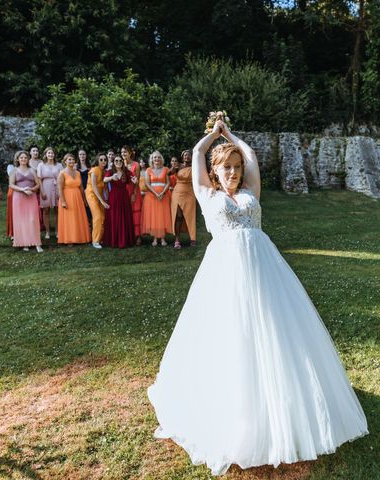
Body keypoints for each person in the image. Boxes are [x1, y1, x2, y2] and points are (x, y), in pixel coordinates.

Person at [148, 117, 368, 476]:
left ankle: (285, 402)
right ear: (215, 172)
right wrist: (214, 134)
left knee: (275, 327)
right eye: (227, 168)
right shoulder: (207, 194)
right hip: (226, 271)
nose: (233, 173)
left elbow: (250, 155)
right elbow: (199, 153)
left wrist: (232, 136)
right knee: (233, 331)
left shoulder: (252, 190)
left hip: (264, 268)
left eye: (236, 168)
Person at [9, 151, 43, 252]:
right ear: (18, 159)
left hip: (31, 197)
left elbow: (38, 184)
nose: (23, 159)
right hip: (18, 197)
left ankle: (37, 243)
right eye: (21, 158)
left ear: (28, 159)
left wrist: (32, 189)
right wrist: (22, 189)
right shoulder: (14, 171)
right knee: (21, 220)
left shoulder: (32, 170)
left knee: (33, 219)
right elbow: (11, 184)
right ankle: (25, 243)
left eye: (25, 157)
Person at [57, 153, 91, 246]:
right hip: (67, 197)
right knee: (69, 219)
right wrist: (63, 201)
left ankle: (80, 237)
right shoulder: (62, 173)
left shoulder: (78, 173)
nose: (71, 161)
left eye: (72, 159)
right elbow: (59, 188)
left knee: (78, 217)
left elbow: (81, 188)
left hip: (77, 197)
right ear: (65, 161)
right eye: (69, 159)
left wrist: (84, 200)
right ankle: (70, 239)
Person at [140, 150, 172, 246]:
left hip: (164, 195)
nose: (156, 159)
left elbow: (168, 183)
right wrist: (155, 193)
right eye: (154, 157)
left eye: (158, 157)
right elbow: (147, 183)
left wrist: (162, 192)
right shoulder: (148, 170)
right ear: (152, 159)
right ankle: (154, 238)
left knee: (162, 216)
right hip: (151, 196)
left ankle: (162, 238)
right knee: (153, 217)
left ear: (161, 158)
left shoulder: (166, 169)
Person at [103, 155, 135, 248]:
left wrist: (134, 180)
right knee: (114, 217)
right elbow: (104, 180)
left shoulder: (126, 172)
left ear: (122, 162)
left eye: (120, 160)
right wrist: (111, 177)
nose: (118, 162)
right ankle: (114, 240)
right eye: (116, 161)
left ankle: (125, 240)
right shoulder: (110, 172)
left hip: (124, 196)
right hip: (114, 196)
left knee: (125, 217)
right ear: (113, 162)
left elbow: (132, 180)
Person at [170, 149, 196, 249]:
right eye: (185, 155)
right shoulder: (178, 166)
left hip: (189, 192)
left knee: (190, 215)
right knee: (178, 215)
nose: (187, 157)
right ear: (182, 157)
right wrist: (173, 168)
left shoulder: (195, 167)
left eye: (189, 155)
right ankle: (177, 239)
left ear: (191, 157)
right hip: (177, 192)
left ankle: (192, 238)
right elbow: (169, 174)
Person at [85, 153, 109, 249]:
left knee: (103, 217)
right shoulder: (94, 170)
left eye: (105, 160)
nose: (103, 161)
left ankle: (100, 238)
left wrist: (106, 198)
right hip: (92, 194)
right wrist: (102, 201)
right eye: (101, 159)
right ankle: (95, 241)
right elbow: (94, 187)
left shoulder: (104, 171)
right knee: (97, 217)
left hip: (99, 195)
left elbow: (105, 186)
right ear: (97, 160)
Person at [37, 147, 62, 239]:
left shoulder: (59, 165)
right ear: (45, 154)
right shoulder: (41, 165)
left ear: (54, 154)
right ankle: (47, 232)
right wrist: (42, 191)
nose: (51, 155)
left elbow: (62, 178)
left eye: (52, 153)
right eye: (49, 153)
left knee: (57, 210)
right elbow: (39, 179)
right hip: (45, 186)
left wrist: (60, 191)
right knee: (46, 210)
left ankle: (57, 231)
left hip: (57, 187)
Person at [121, 145, 142, 245]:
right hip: (124, 191)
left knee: (136, 213)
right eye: (122, 152)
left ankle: (138, 236)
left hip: (134, 190)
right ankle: (128, 235)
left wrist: (134, 193)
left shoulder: (136, 165)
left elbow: (137, 181)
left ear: (130, 153)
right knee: (126, 213)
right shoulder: (120, 164)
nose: (123, 154)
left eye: (125, 152)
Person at [6, 163, 15, 240]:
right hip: (13, 191)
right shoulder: (11, 167)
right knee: (12, 213)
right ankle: (13, 232)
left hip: (25, 191)